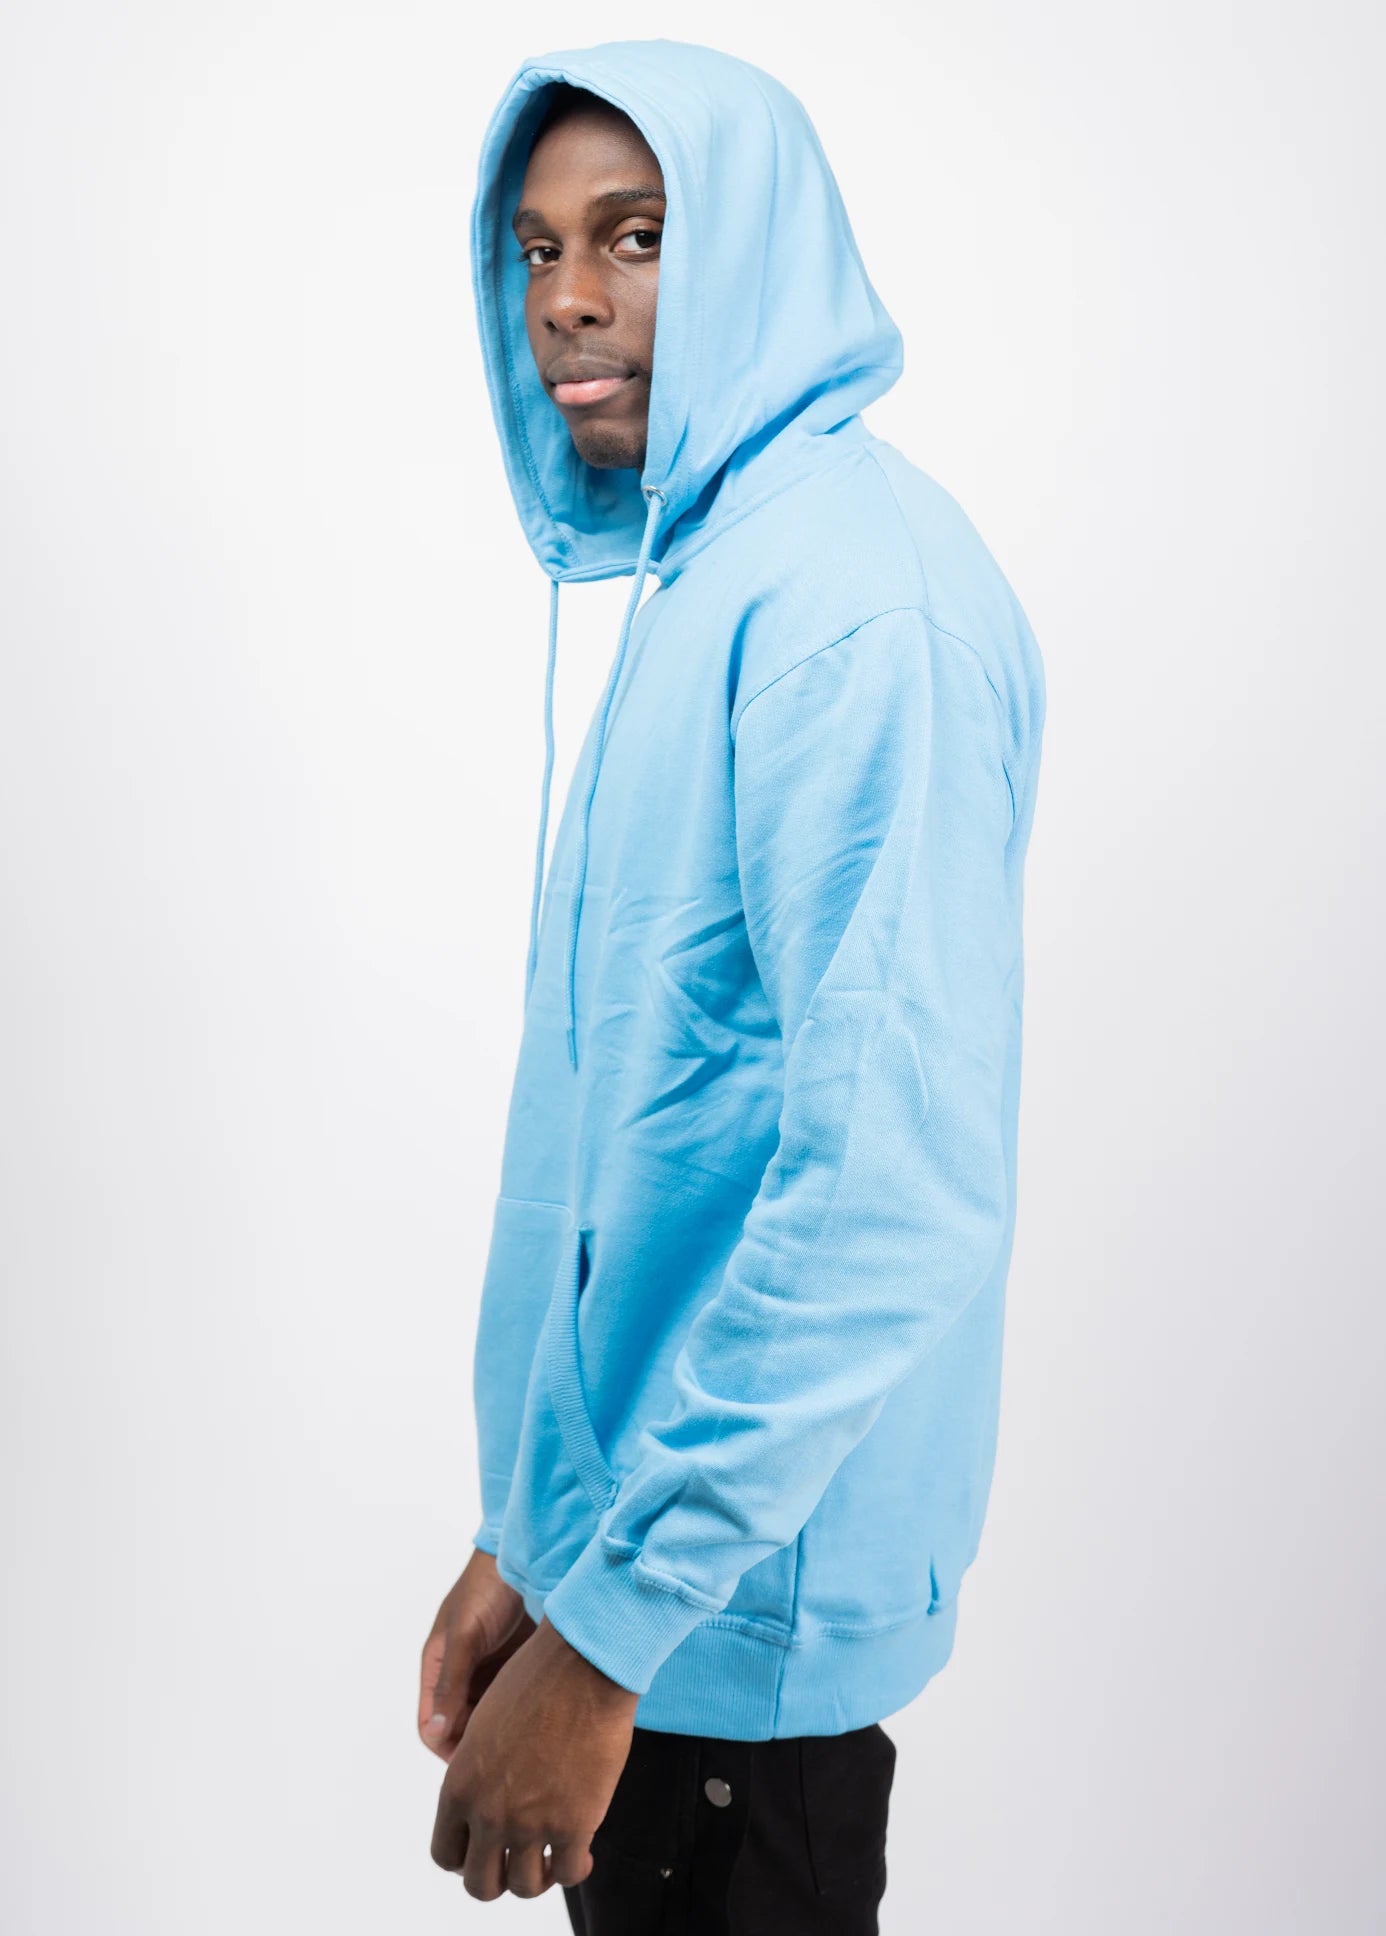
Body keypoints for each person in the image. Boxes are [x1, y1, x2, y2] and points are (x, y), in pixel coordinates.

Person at [418, 38, 1046, 1933]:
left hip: (715, 1656)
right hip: (632, 1600)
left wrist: (610, 1634)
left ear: (758, 246)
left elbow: (887, 1193)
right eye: (537, 249)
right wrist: (530, 1539)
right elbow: (641, 1136)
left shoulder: (857, 612)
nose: (570, 298)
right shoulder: (715, 580)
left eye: (636, 235)